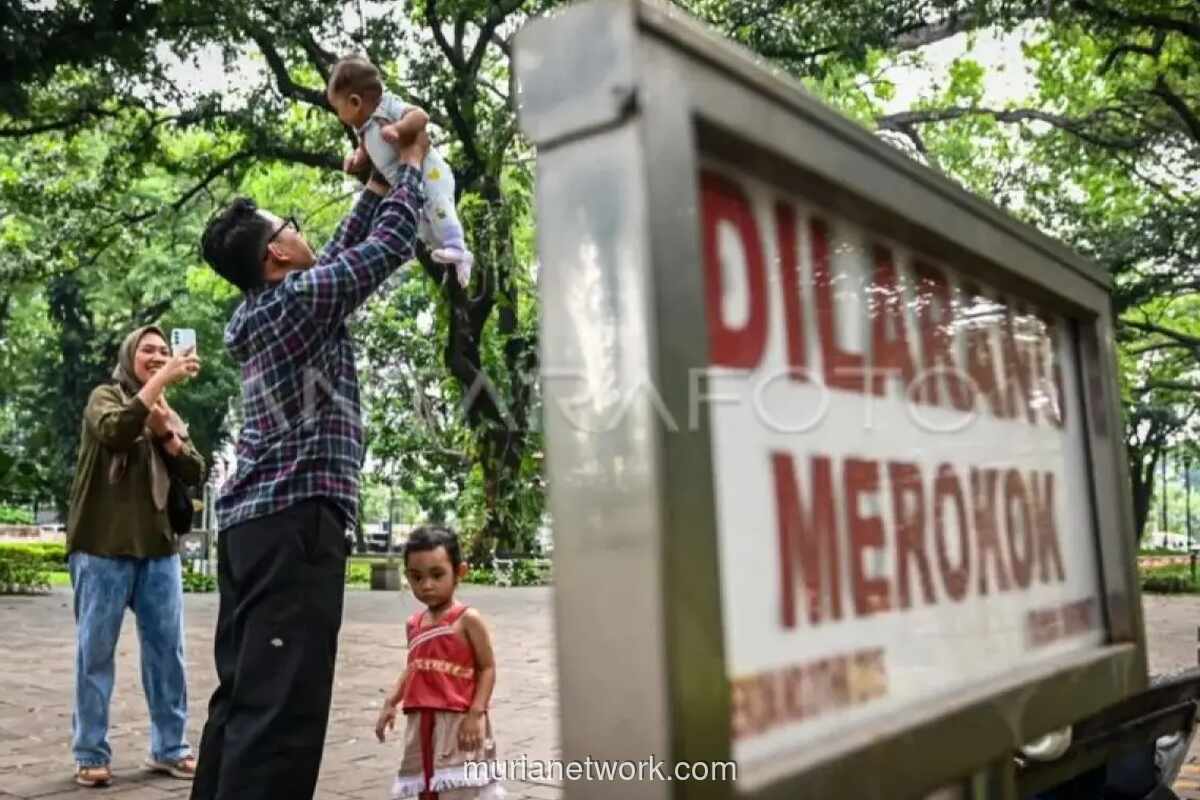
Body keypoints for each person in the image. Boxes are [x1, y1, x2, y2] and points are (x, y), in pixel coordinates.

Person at [191, 124, 430, 800]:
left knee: (243, 700)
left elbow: (343, 255)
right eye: (289, 224)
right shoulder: (296, 303)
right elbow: (382, 250)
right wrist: (409, 168)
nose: (300, 228)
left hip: (255, 530)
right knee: (281, 714)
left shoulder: (280, 305)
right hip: (294, 527)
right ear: (274, 257)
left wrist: (375, 181)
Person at [66, 325, 204, 787]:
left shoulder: (166, 410)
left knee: (168, 655)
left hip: (159, 552)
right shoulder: (104, 397)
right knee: (95, 654)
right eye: (148, 350)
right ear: (130, 356)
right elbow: (116, 431)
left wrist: (169, 437)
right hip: (101, 549)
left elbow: (195, 470)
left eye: (165, 351)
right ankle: (89, 752)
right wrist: (159, 385)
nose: (158, 356)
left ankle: (170, 748)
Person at [376, 526, 503, 800]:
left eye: (437, 575)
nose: (426, 585)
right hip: (421, 720)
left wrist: (476, 714)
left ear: (460, 572)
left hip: (457, 720)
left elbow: (487, 668)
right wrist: (391, 702)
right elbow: (414, 666)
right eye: (416, 577)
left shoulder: (467, 619)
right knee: (426, 786)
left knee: (457, 788)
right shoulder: (414, 624)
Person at [327, 54, 473, 289]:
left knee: (438, 206)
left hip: (429, 173)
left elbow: (421, 116)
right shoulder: (363, 130)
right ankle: (455, 258)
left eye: (337, 108)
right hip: (409, 186)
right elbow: (366, 150)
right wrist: (356, 159)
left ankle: (457, 247)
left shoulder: (387, 106)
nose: (337, 115)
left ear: (355, 102)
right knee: (423, 227)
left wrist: (399, 128)